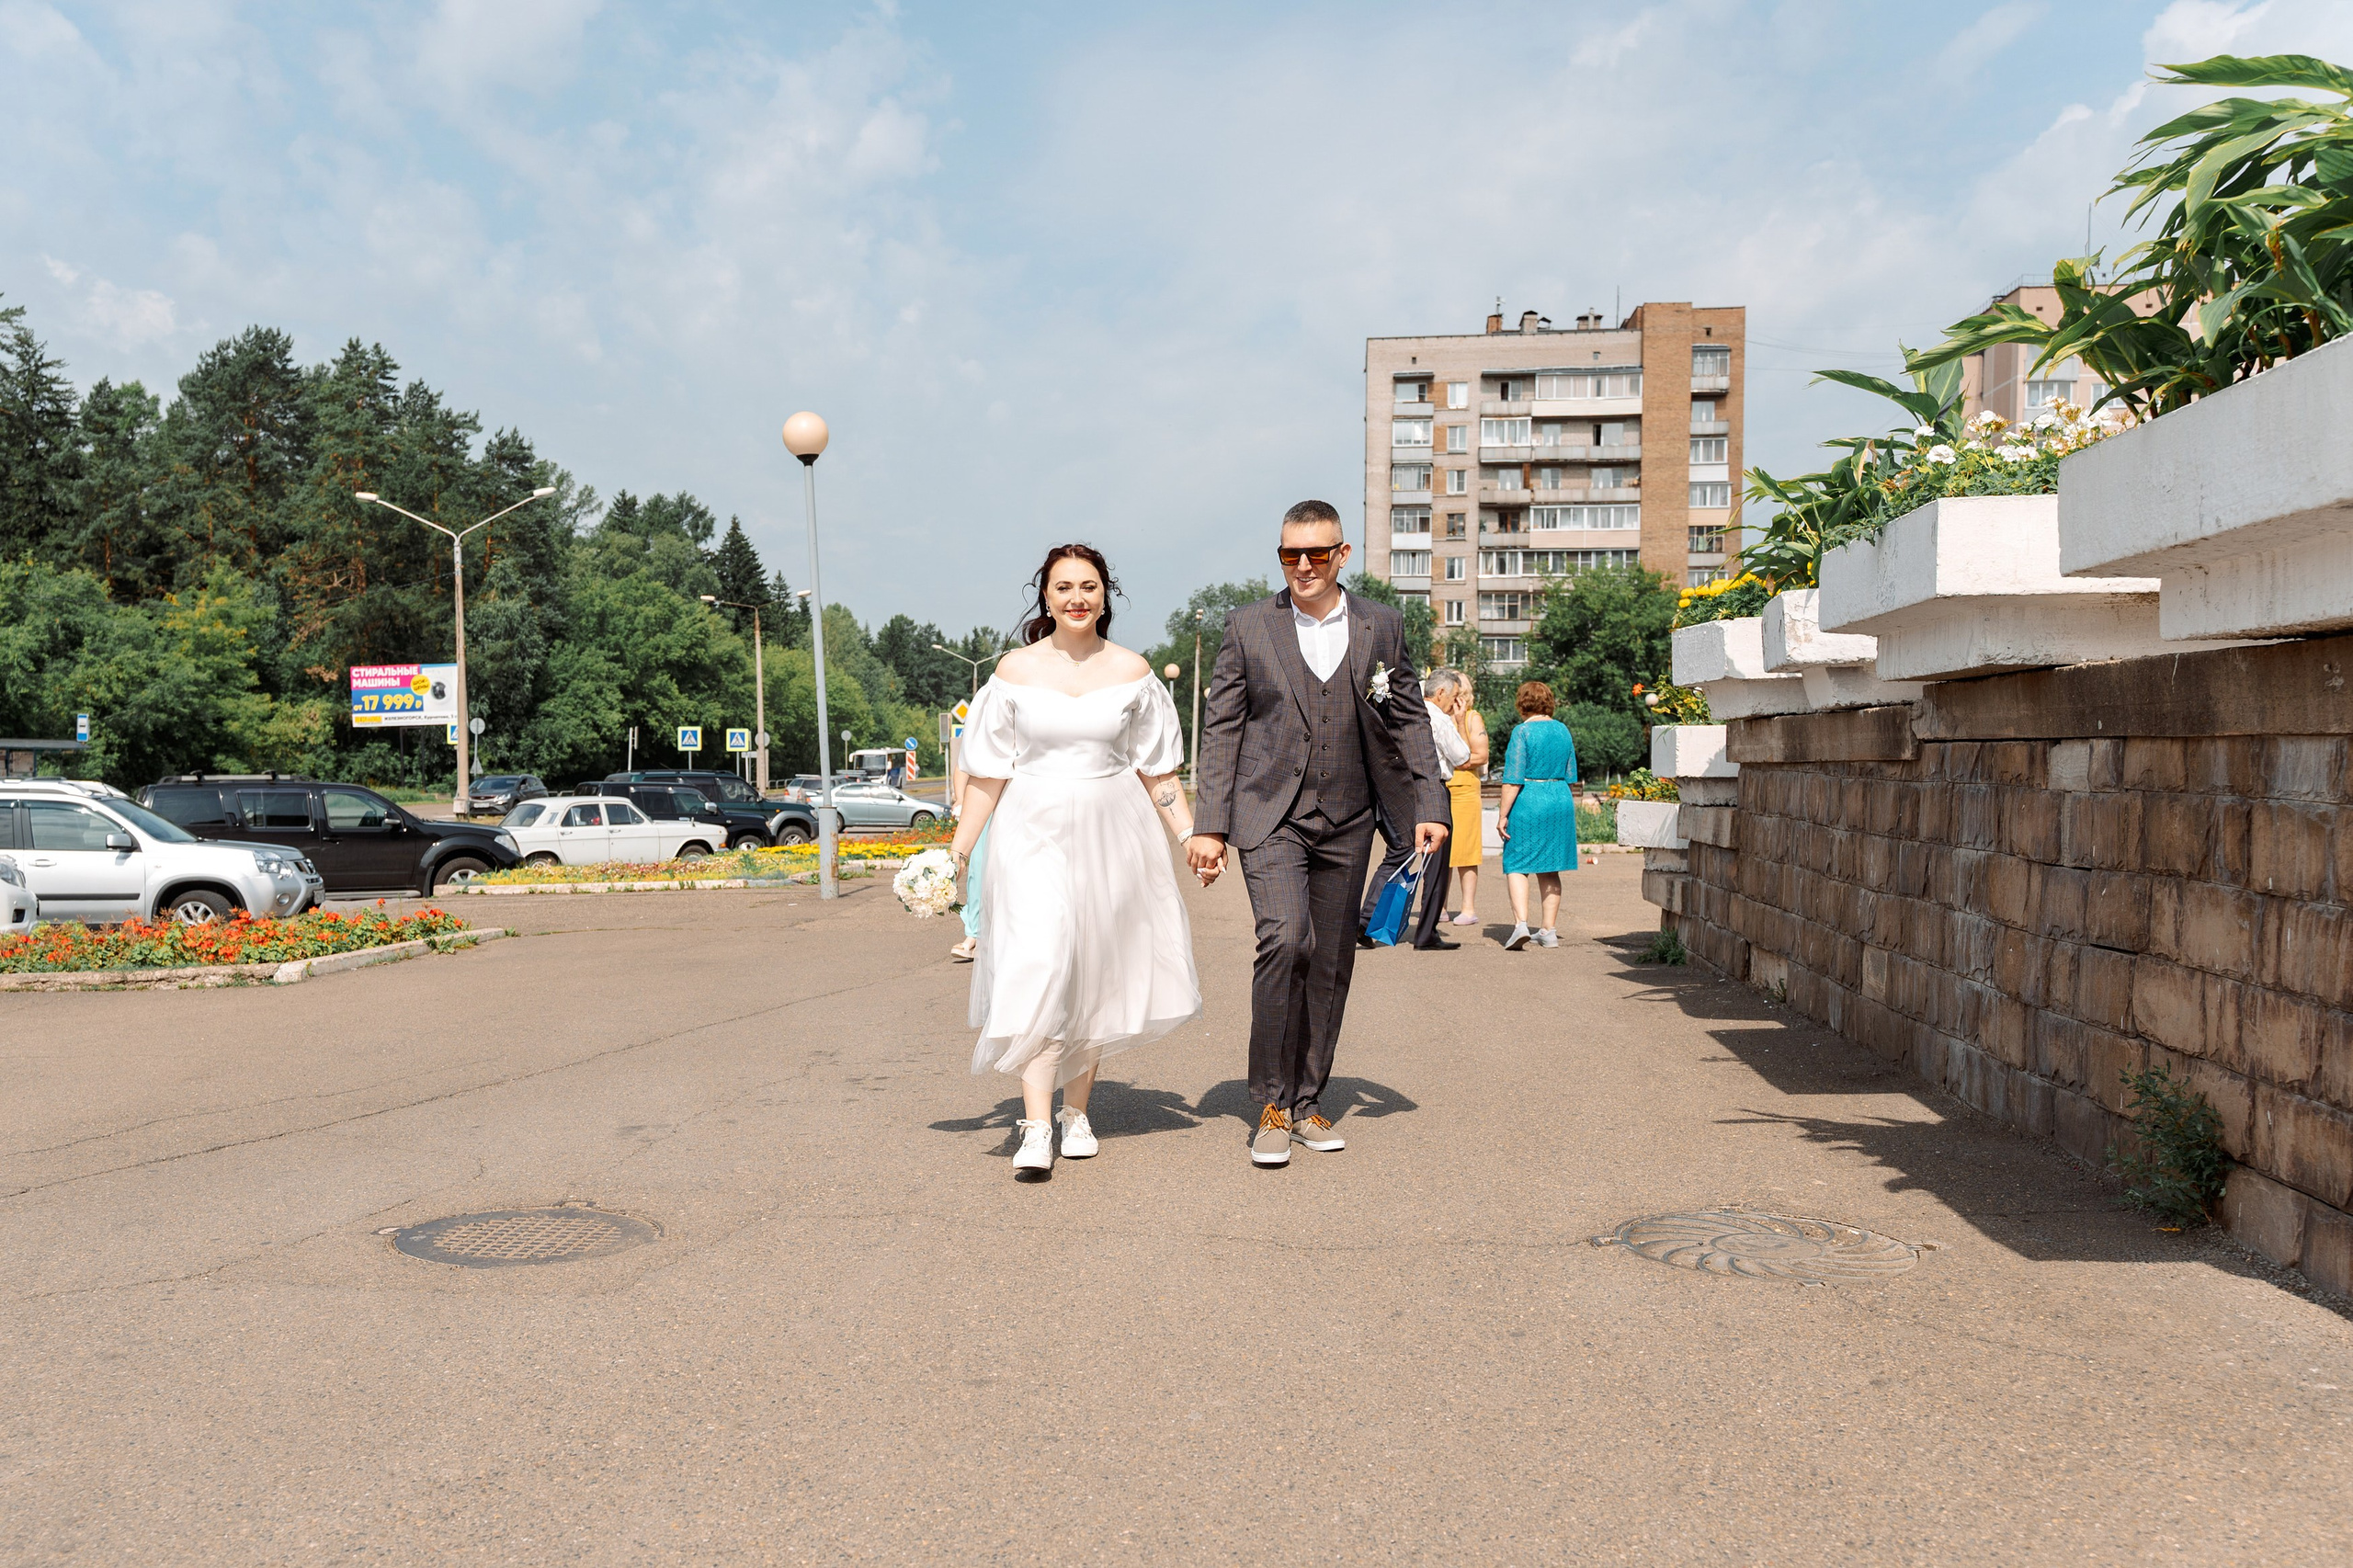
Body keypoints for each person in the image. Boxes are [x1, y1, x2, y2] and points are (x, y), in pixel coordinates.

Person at [1188, 500, 1450, 1167]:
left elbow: (1409, 719)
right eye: (1288, 554)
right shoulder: (1248, 626)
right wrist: (1211, 826)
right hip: (1270, 815)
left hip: (1350, 816)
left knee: (1331, 962)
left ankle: (1307, 1102)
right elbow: (1221, 730)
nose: (1301, 566)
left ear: (1343, 554)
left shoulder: (1381, 627)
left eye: (1315, 553)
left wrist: (1431, 803)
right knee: (1285, 938)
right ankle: (1272, 1106)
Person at [948, 542, 1209, 1177]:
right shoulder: (1012, 672)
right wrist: (956, 849)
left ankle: (1076, 1113)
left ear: (1104, 595)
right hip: (1030, 831)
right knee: (1039, 963)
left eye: (1088, 586)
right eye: (1064, 587)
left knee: (1090, 969)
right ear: (1045, 595)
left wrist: (1188, 836)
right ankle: (1035, 1125)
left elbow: (1159, 771)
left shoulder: (1133, 672)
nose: (1076, 598)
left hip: (1112, 830)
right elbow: (987, 775)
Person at [1357, 664, 1473, 950]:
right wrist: (1459, 721)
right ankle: (1425, 932)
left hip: (1397, 791)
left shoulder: (1402, 711)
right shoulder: (1438, 717)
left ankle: (1368, 919)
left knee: (1401, 851)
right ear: (1442, 692)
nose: (1455, 703)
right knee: (1435, 864)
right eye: (1454, 696)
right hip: (1433, 791)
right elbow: (1462, 756)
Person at [1495, 679, 1580, 951]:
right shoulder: (1563, 730)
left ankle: (1521, 924)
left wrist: (1502, 815)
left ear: (1522, 703)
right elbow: (1571, 773)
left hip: (1530, 799)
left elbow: (1512, 778)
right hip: (1559, 797)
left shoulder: (1522, 732)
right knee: (1550, 866)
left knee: (1517, 863)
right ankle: (1549, 931)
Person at [1435, 674, 1490, 926]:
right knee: (1441, 852)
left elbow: (1475, 756)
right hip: (1443, 788)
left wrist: (1459, 722)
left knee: (1466, 853)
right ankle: (1440, 907)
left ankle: (1468, 908)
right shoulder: (1437, 716)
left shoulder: (1472, 718)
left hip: (1466, 792)